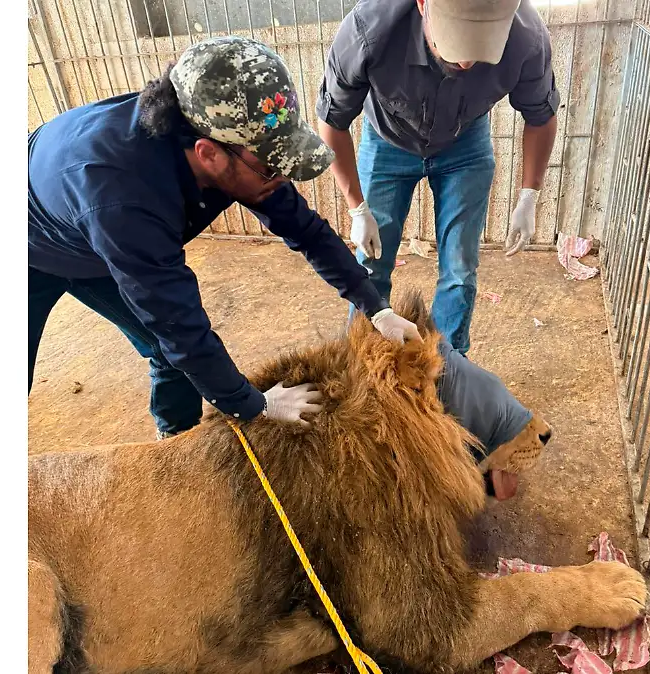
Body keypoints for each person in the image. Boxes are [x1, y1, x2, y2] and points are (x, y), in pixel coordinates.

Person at [28, 35, 422, 440]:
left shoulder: (225, 142)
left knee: (167, 354)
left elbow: (306, 229)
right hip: (31, 241)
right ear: (209, 154)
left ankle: (177, 444)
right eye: (272, 169)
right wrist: (253, 404)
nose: (281, 179)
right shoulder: (126, 199)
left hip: (94, 236)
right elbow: (178, 323)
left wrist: (375, 307)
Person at [317, 0, 560, 354]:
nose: (466, 63)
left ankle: (447, 365)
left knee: (460, 267)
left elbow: (541, 116)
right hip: (387, 138)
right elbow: (332, 121)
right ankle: (365, 361)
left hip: (465, 141)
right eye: (455, 43)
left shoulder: (527, 36)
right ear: (422, 5)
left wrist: (529, 195)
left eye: (480, 49)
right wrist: (357, 208)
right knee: (372, 261)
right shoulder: (368, 30)